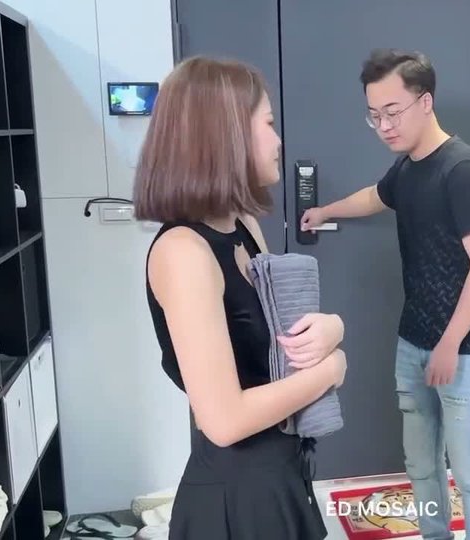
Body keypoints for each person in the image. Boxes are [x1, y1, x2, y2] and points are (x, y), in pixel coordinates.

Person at [134, 56, 346, 540]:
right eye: (268, 124)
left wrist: (333, 328)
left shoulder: (242, 226)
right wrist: (331, 369)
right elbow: (224, 421)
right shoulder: (183, 252)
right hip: (237, 497)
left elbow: (281, 340)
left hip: (281, 472)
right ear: (225, 135)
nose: (278, 140)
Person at [301, 49, 470, 540]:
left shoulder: (463, 170)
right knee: (421, 464)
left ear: (425, 101)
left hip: (467, 349)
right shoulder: (408, 167)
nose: (384, 126)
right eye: (374, 116)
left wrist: (450, 344)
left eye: (392, 112)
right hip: (414, 340)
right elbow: (376, 196)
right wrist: (325, 210)